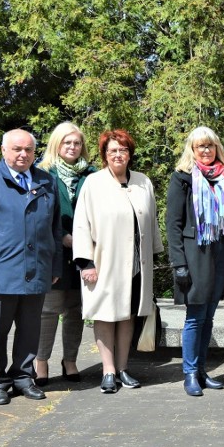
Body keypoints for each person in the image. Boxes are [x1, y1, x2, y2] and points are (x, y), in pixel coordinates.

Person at [0, 129, 63, 405]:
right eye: (17, 149)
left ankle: (23, 377)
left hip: (37, 269)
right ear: (3, 150)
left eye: (28, 150)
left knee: (30, 329)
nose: (23, 154)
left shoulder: (46, 181)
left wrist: (55, 265)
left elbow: (55, 228)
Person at [72, 129, 163, 394]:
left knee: (128, 315)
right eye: (112, 150)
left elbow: (152, 220)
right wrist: (86, 263)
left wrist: (154, 254)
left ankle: (123, 368)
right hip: (104, 262)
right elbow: (81, 225)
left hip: (138, 264)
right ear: (104, 155)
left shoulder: (143, 181)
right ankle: (108, 370)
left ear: (130, 154)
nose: (118, 155)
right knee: (106, 314)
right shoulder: (93, 183)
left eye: (123, 150)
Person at [166, 126, 224, 396]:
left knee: (209, 317)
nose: (206, 151)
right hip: (194, 255)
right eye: (200, 147)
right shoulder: (181, 178)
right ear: (192, 150)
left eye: (210, 146)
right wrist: (178, 263)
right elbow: (173, 224)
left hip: (219, 252)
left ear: (216, 148)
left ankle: (202, 370)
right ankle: (190, 373)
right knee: (195, 317)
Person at [34, 122, 95, 386]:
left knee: (75, 309)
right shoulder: (42, 173)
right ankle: (41, 361)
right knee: (48, 311)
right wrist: (61, 236)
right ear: (56, 145)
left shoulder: (91, 175)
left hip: (83, 254)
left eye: (77, 143)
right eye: (67, 142)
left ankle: (70, 360)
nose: (72, 147)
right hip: (52, 252)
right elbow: (38, 215)